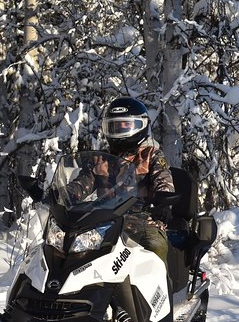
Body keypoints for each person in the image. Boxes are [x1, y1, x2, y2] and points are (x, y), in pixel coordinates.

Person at [69, 96, 175, 265]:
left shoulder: (151, 155)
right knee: (73, 252)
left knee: (154, 248)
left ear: (139, 126)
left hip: (144, 222)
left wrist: (163, 200)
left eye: (125, 125)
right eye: (115, 126)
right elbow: (82, 182)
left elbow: (163, 181)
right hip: (103, 222)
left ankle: (162, 290)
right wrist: (63, 194)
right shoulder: (101, 159)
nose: (119, 130)